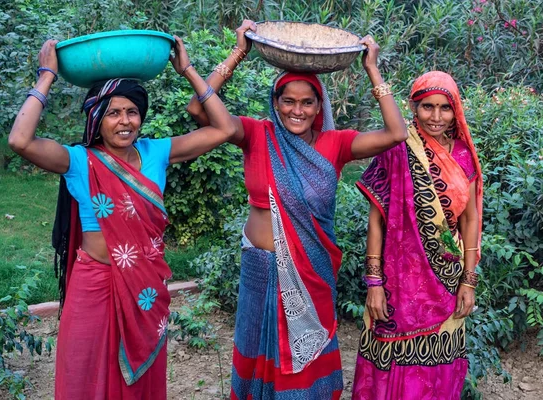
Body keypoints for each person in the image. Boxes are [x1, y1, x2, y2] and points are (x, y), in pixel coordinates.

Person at [186, 19, 408, 400]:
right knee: (259, 358)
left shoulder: (336, 144)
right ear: (275, 104)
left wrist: (373, 68)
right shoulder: (257, 135)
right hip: (260, 268)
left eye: (307, 102)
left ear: (319, 106)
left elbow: (396, 133)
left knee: (306, 368)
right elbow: (199, 109)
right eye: (288, 101)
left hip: (311, 273)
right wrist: (238, 53)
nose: (297, 110)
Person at [8, 36, 236, 399]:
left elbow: (225, 129)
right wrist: (47, 76)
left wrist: (187, 70)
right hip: (93, 286)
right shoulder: (80, 161)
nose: (124, 121)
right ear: (97, 119)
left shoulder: (156, 152)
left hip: (144, 288)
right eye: (113, 113)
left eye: (132, 111)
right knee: (84, 370)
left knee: (139, 379)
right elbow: (20, 141)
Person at [351, 71, 483, 399]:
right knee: (389, 362)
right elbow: (377, 221)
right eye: (427, 106)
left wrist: (468, 282)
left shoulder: (463, 157)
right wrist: (374, 284)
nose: (436, 116)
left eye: (444, 108)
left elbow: (470, 222)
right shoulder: (396, 149)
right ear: (414, 107)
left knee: (438, 367)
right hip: (396, 283)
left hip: (446, 283)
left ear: (455, 111)